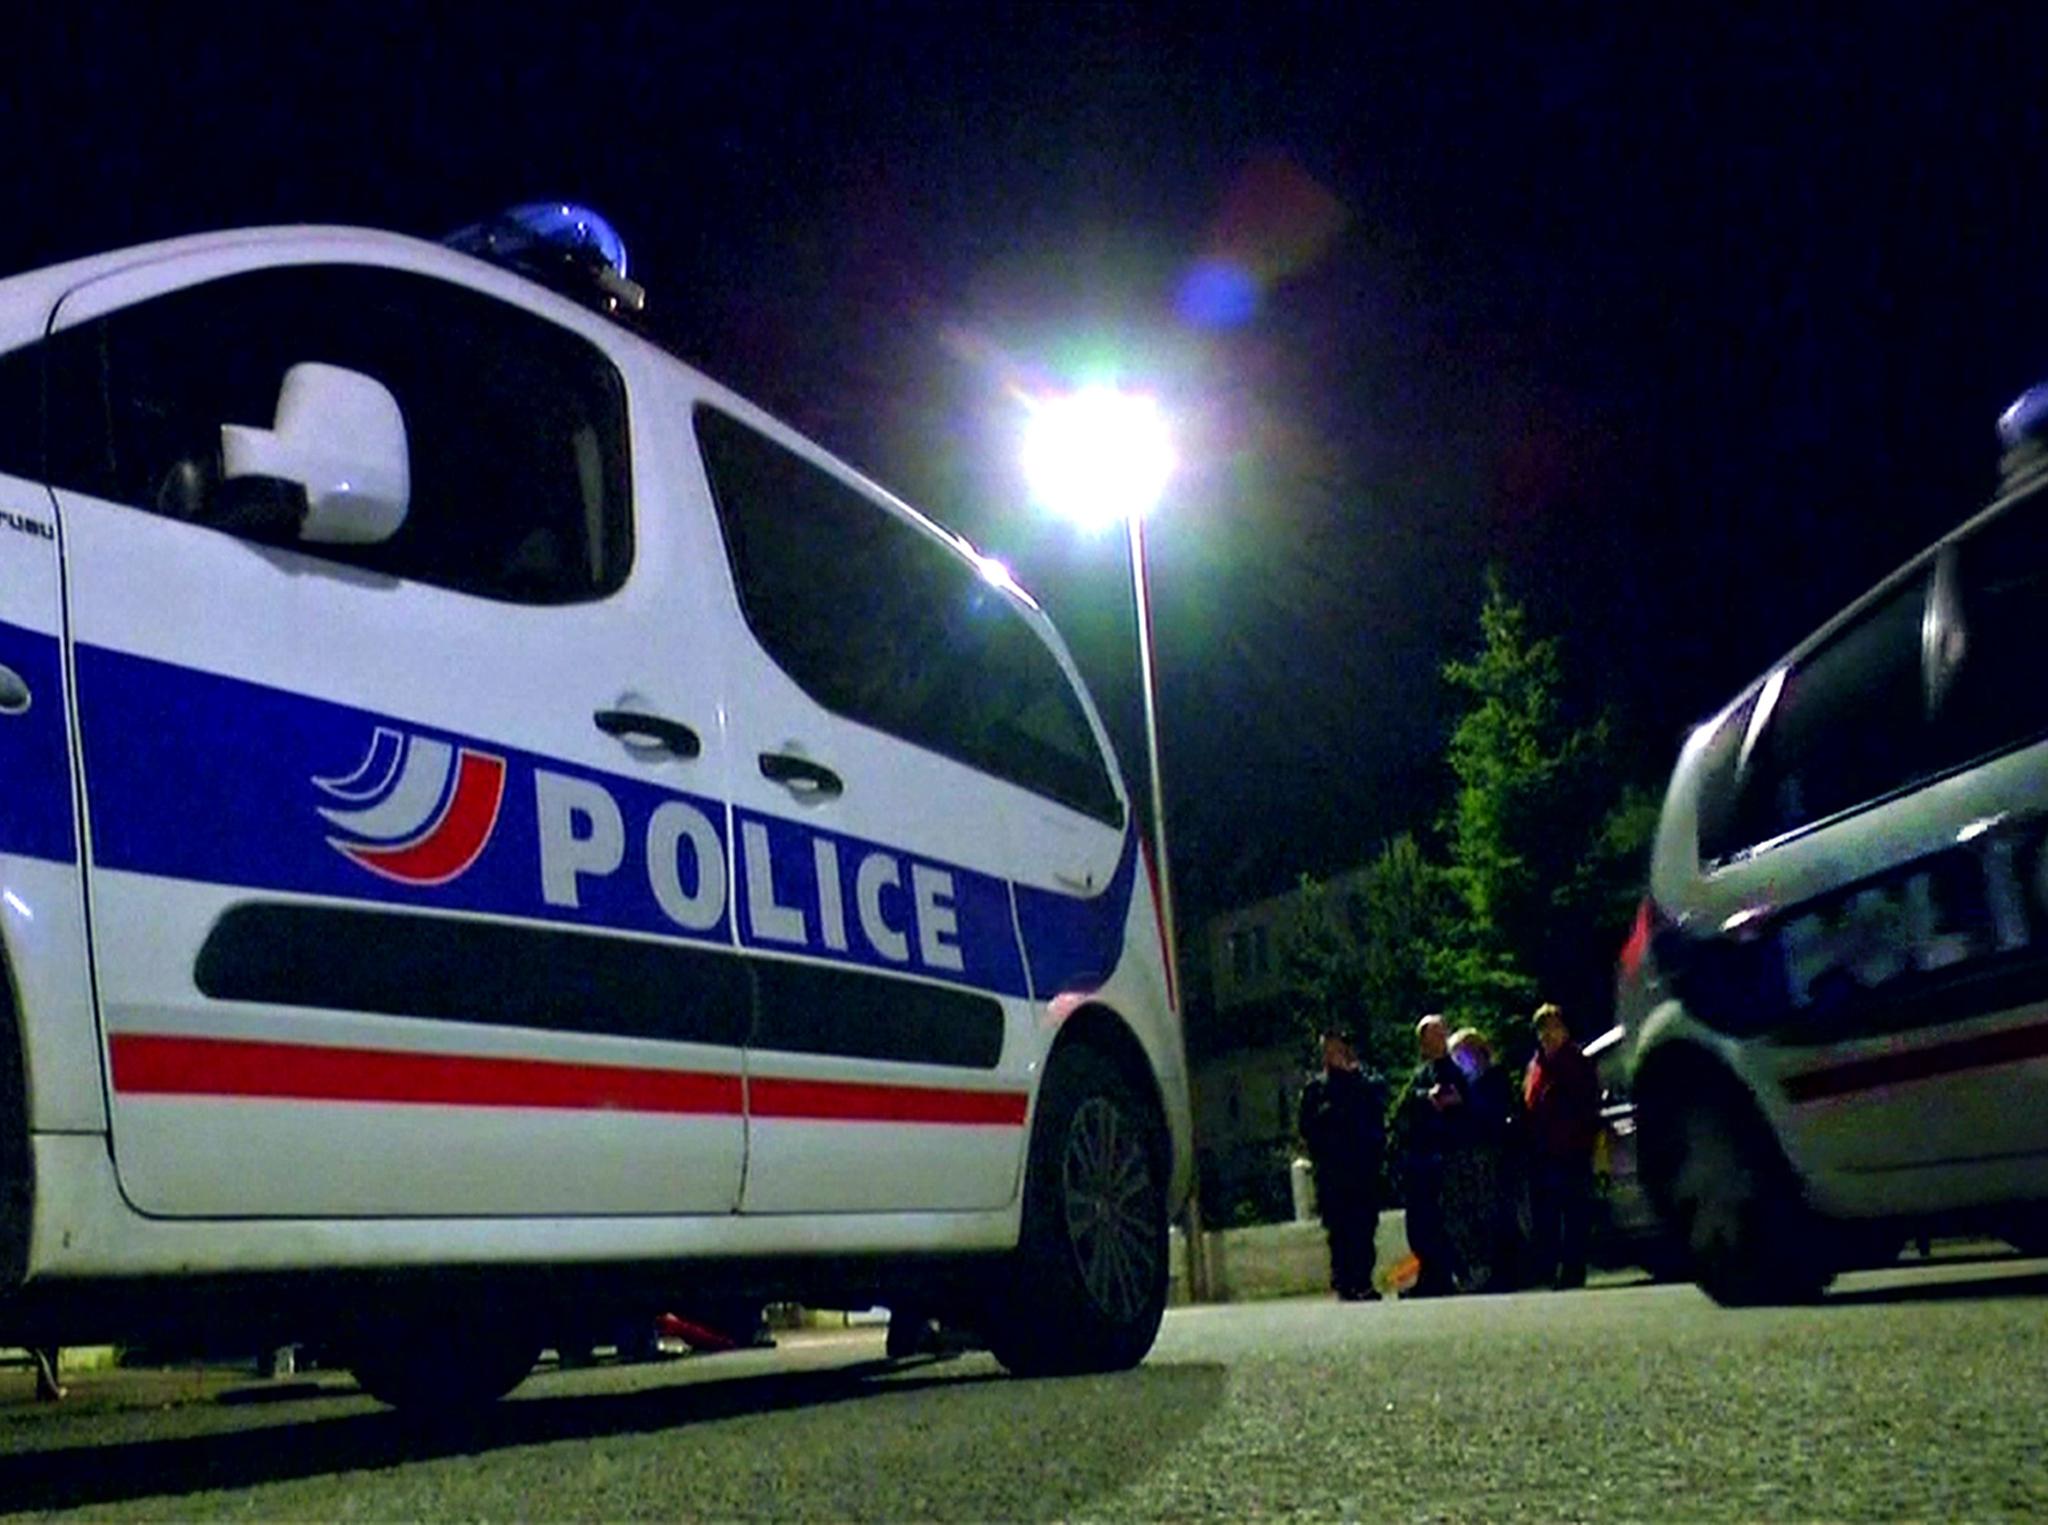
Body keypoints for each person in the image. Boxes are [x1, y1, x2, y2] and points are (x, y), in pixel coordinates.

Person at [1298, 1028, 1388, 1301]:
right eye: (1327, 1049)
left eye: (1336, 1048)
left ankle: (1362, 1280)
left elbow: (1376, 1113)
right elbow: (1307, 1126)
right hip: (1333, 1171)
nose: (1331, 1054)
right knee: (1339, 1229)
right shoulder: (1316, 1089)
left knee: (1363, 1226)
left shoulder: (1365, 1081)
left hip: (1362, 1168)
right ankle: (1344, 1280)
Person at [1524, 1002, 1601, 1290]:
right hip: (1544, 1151)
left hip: (1572, 1148)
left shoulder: (1576, 1062)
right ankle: (1551, 1268)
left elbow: (1586, 1103)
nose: (1548, 1034)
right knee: (1548, 1214)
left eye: (1554, 1028)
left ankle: (1573, 1269)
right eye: (1543, 1029)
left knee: (1574, 1213)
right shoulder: (1536, 1065)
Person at [1395, 1014, 1471, 1297]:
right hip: (1420, 1161)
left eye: (1441, 1036)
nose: (1437, 1043)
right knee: (1420, 1223)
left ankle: (1448, 1274)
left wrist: (1453, 1103)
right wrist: (1425, 1099)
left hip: (1447, 1158)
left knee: (1444, 1221)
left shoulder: (1457, 1072)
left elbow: (1468, 1106)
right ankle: (1429, 1276)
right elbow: (1402, 1111)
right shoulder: (1420, 1077)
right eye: (1430, 1038)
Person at [1445, 1028, 1524, 1292]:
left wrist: (1464, 1102)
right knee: (1466, 1214)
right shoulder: (1457, 1081)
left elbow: (1494, 1112)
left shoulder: (1494, 1078)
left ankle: (1502, 1269)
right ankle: (1477, 1268)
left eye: (1465, 1054)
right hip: (1463, 1153)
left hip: (1489, 1151)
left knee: (1491, 1212)